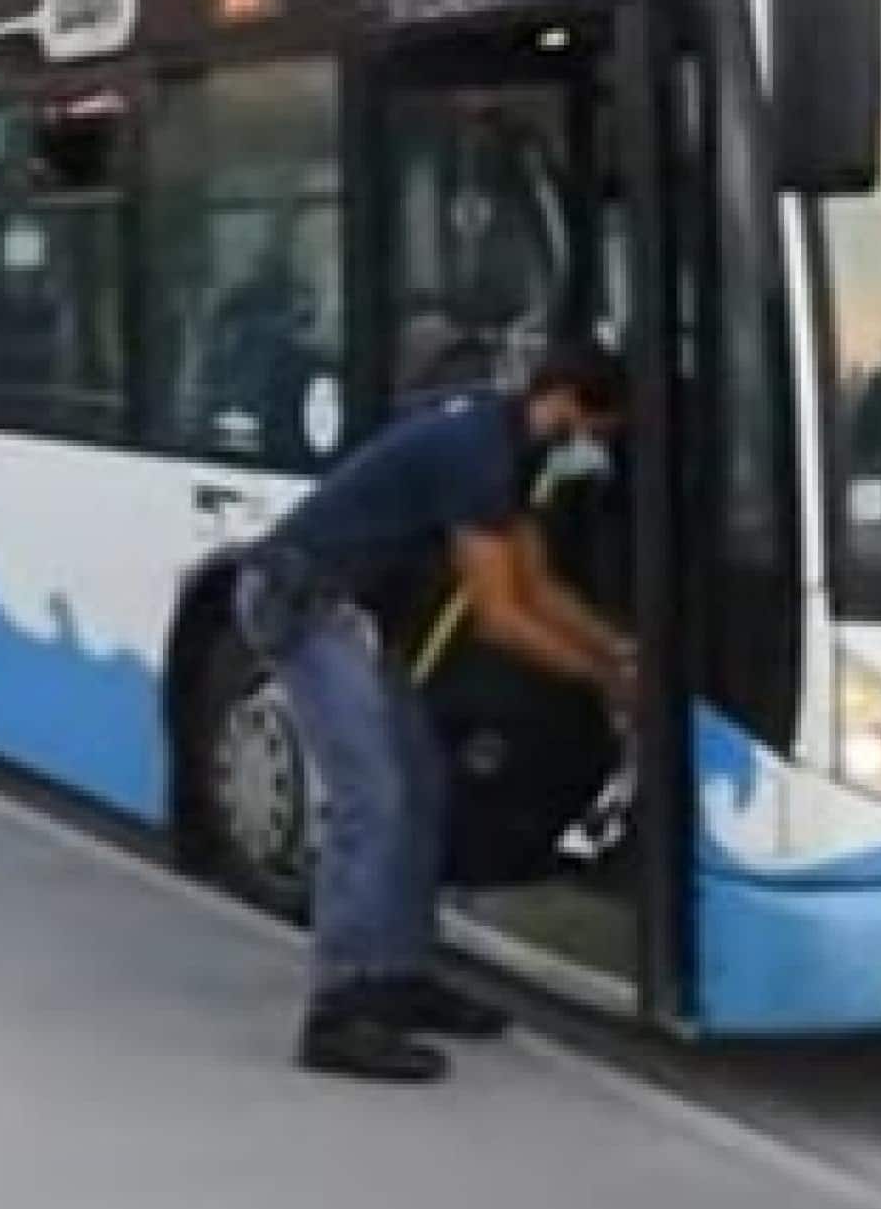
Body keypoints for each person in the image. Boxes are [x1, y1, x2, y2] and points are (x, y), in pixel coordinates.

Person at [237, 340, 637, 1085]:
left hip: (352, 612)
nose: (599, 450)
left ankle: (398, 973)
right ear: (566, 406)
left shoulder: (510, 451)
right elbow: (499, 616)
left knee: (421, 791)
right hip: (302, 604)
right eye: (601, 431)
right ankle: (341, 1010)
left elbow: (538, 588)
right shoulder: (476, 453)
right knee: (373, 802)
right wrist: (601, 680)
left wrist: (618, 653)